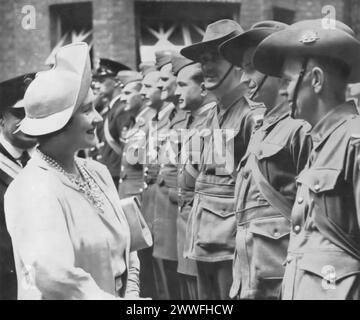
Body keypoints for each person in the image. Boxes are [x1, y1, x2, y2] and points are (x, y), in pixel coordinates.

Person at [4, 42, 140, 300]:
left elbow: (129, 247)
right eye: (87, 110)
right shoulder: (30, 188)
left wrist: (132, 294)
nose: (98, 118)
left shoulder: (97, 172)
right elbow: (54, 277)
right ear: (59, 122)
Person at [253, 19, 360, 300]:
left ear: (315, 80)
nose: (283, 90)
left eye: (287, 80)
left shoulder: (353, 141)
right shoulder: (321, 142)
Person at [220, 20, 312, 299]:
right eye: (242, 68)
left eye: (251, 66)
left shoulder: (300, 128)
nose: (244, 78)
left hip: (284, 281)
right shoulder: (262, 126)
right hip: (253, 279)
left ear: (279, 68)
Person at [180, 19, 265, 300]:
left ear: (238, 63)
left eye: (215, 57)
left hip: (234, 249)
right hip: (204, 241)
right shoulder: (210, 115)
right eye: (203, 59)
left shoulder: (251, 117)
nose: (206, 66)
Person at [172, 53, 216, 300]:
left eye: (182, 85)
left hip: (204, 232)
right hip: (187, 227)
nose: (176, 91)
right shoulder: (193, 121)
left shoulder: (212, 124)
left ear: (202, 88)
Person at [150, 50, 190, 300]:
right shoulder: (174, 116)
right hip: (167, 210)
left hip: (182, 211)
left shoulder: (189, 116)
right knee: (169, 285)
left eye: (166, 79)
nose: (162, 86)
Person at [118, 63, 157, 299]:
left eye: (128, 92)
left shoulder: (148, 122)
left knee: (143, 262)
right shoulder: (136, 122)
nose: (123, 97)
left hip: (139, 198)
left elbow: (148, 167)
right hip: (129, 196)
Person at [0, 73, 38, 300]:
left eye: (33, 113)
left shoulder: (45, 158)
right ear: (1, 119)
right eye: (20, 114)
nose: (29, 121)